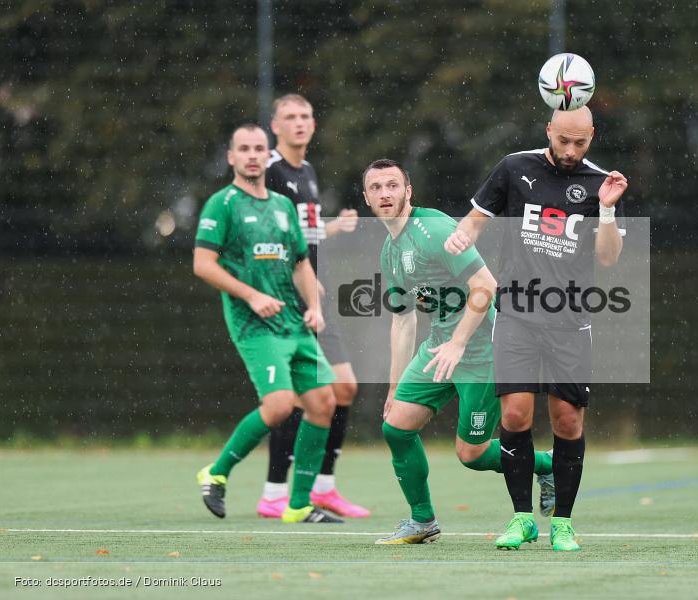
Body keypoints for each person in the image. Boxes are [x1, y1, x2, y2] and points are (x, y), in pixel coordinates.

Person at [445, 107, 629, 552]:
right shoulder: (514, 167)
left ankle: (562, 522)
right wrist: (461, 236)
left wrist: (606, 210)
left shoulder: (600, 182)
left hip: (570, 321)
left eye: (579, 143)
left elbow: (608, 258)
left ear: (591, 137)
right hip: (517, 316)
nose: (569, 151)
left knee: (567, 420)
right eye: (562, 140)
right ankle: (522, 517)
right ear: (548, 130)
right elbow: (475, 217)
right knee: (514, 416)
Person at [362, 158, 555, 545]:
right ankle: (422, 521)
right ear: (366, 198)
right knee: (396, 427)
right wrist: (393, 385)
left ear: (408, 191)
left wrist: (460, 342)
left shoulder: (433, 229)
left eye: (392, 185)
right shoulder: (389, 251)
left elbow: (486, 286)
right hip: (439, 349)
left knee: (472, 454)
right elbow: (402, 321)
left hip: (482, 351)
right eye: (376, 188)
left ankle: (548, 465)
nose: (385, 193)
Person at [194, 123, 342, 524]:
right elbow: (202, 264)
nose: (253, 155)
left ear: (266, 154)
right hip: (254, 324)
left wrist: (315, 306)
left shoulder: (281, 205)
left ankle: (298, 505)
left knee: (323, 402)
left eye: (259, 148)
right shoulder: (222, 205)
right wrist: (251, 295)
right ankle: (216, 472)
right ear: (232, 157)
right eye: (244, 149)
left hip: (294, 322)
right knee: (278, 406)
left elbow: (300, 262)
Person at [257, 93, 369, 520]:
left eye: (305, 115)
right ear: (275, 126)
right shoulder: (268, 171)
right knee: (299, 398)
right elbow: (266, 237)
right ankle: (274, 493)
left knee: (344, 388)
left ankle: (322, 487)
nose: (299, 122)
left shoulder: (306, 172)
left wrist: (332, 228)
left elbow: (299, 234)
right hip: (286, 302)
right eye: (290, 117)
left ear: (314, 124)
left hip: (313, 299)